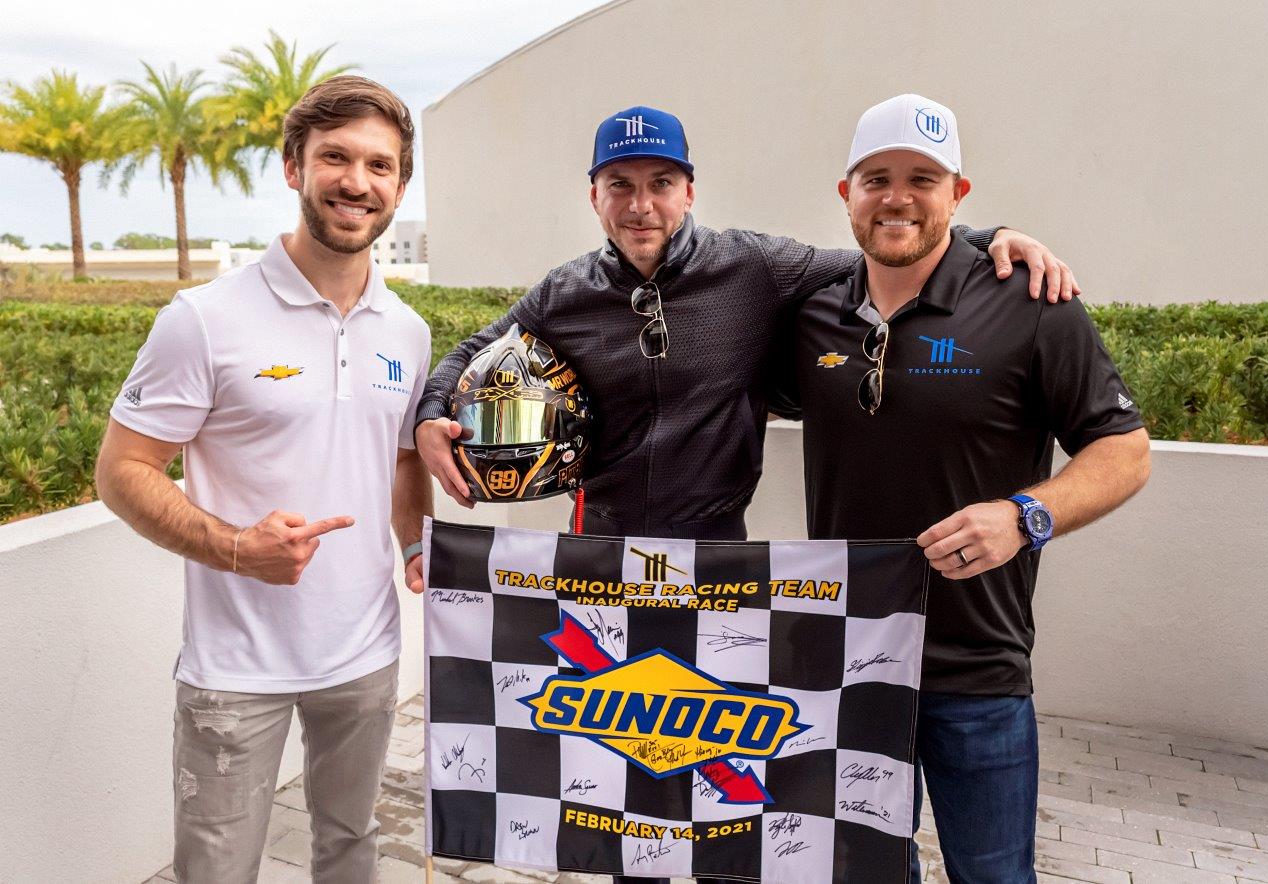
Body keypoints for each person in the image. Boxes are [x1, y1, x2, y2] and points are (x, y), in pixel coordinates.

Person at [414, 104, 1077, 884]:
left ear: (690, 190)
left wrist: (989, 235)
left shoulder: (755, 265)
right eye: (619, 185)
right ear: (593, 195)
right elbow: (474, 349)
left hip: (720, 573)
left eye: (661, 183)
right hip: (604, 566)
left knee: (724, 808)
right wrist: (432, 414)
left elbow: (886, 249)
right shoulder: (565, 291)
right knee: (627, 801)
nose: (641, 205)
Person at [771, 93, 1151, 883]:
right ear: (846, 194)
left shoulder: (1033, 303)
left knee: (994, 877)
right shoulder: (810, 315)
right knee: (865, 875)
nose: (897, 198)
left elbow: (1125, 451)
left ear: (958, 194)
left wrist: (1025, 516)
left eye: (923, 179)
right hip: (849, 662)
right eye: (876, 179)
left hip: (977, 670)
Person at [94, 76, 432, 883]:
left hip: (367, 652)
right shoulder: (203, 319)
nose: (357, 181)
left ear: (399, 187)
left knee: (351, 848)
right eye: (336, 157)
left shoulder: (408, 331)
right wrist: (238, 548)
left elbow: (399, 455)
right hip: (234, 669)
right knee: (217, 871)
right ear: (293, 168)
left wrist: (416, 544)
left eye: (380, 165)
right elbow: (121, 471)